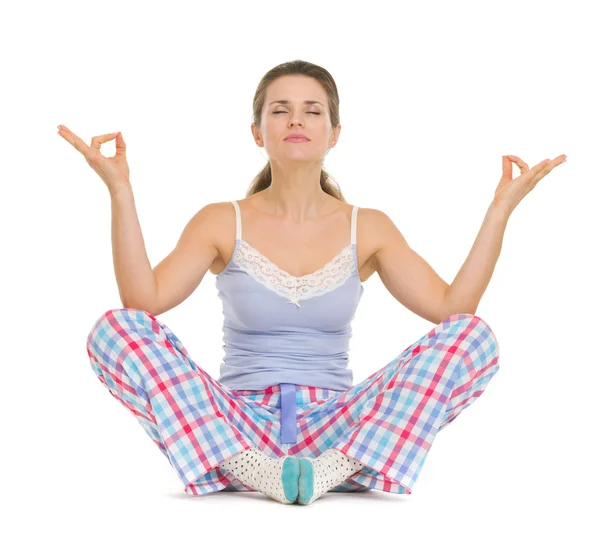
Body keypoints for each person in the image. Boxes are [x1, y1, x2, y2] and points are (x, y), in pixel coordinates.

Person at [60, 59, 563, 505]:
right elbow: (142, 302)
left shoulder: (368, 226)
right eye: (279, 110)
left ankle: (335, 469)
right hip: (237, 424)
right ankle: (248, 468)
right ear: (258, 132)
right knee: (115, 328)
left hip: (337, 428)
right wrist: (120, 190)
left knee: (473, 336)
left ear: (334, 132)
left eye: (311, 110)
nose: (296, 119)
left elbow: (453, 308)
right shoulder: (220, 220)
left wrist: (500, 210)